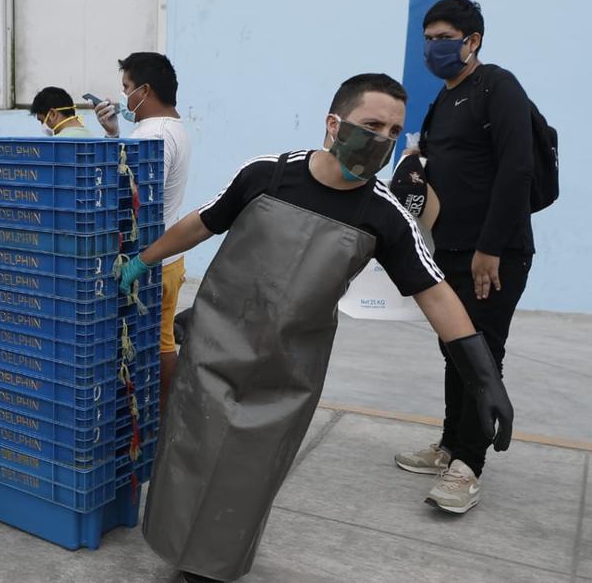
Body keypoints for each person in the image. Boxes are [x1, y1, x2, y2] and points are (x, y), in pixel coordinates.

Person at [117, 73, 514, 583]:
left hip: (287, 374)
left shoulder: (386, 215)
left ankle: (208, 569)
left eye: (394, 131)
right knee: (189, 454)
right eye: (372, 124)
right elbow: (203, 221)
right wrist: (144, 260)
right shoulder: (267, 175)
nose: (383, 139)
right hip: (214, 346)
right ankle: (173, 543)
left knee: (248, 475)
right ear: (334, 123)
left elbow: (435, 292)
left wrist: (483, 376)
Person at [394, 0, 534, 515]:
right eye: (428, 39)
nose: (433, 48)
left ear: (472, 41)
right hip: (449, 249)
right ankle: (451, 443)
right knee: (455, 349)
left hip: (494, 253)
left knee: (481, 355)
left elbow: (517, 169)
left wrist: (490, 248)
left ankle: (468, 466)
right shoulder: (444, 98)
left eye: (444, 38)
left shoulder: (498, 86)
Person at [94, 52, 191, 411]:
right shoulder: (173, 127)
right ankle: (161, 414)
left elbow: (133, 197)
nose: (123, 96)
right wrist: (114, 135)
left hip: (150, 261)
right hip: (167, 258)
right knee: (157, 341)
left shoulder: (155, 134)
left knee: (160, 345)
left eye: (127, 87)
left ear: (145, 90)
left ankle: (166, 416)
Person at [29, 87, 94, 138]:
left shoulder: (55, 144)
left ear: (53, 114)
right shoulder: (91, 138)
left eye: (42, 121)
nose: (42, 125)